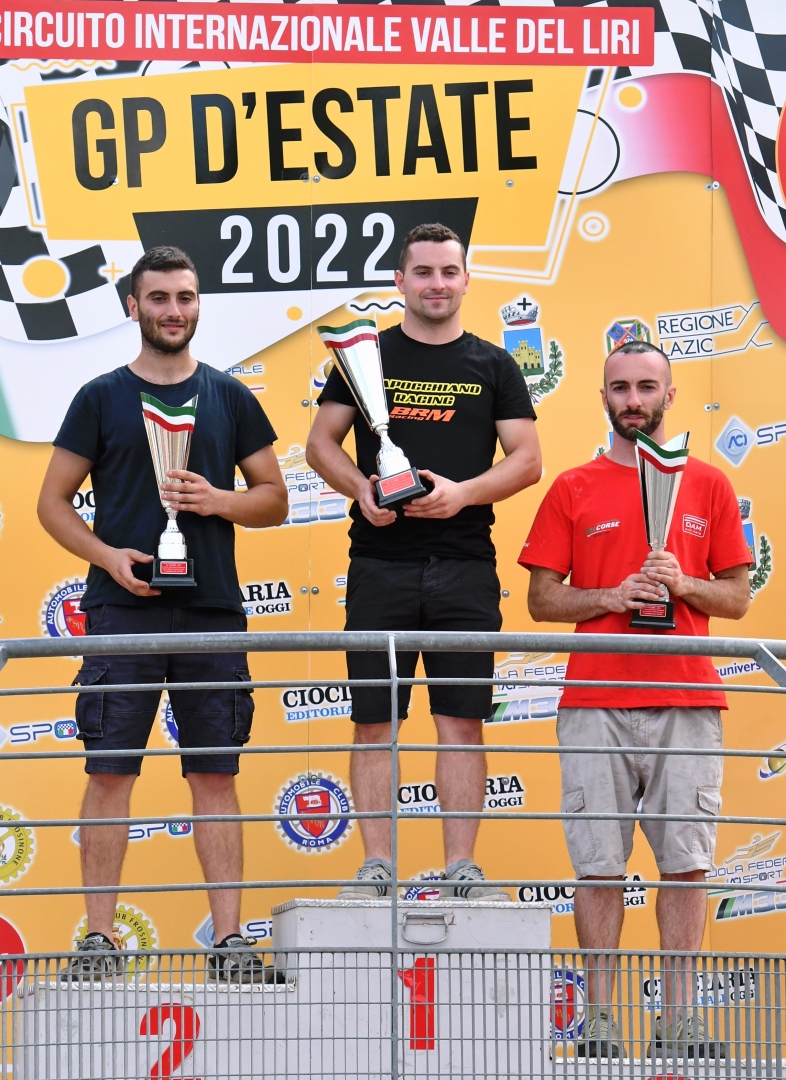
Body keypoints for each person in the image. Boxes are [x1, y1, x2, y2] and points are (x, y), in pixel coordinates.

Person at [38, 246, 288, 981]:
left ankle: (230, 942)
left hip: (211, 611)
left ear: (198, 303)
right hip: (121, 611)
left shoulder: (230, 396)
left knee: (215, 775)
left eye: (185, 296)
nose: (173, 310)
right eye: (159, 298)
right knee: (109, 773)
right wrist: (107, 556)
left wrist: (218, 500)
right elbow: (52, 502)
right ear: (133, 307)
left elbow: (274, 499)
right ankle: (98, 941)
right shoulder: (99, 397)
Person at [520, 341, 751, 1058]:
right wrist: (612, 596)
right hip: (595, 699)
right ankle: (599, 1018)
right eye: (620, 388)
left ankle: (680, 1019)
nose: (633, 400)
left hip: (688, 698)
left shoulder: (708, 485)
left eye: (647, 387)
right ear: (603, 398)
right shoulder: (573, 487)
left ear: (669, 396)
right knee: (598, 865)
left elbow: (737, 598)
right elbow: (541, 599)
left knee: (686, 862)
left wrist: (683, 584)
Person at [306, 222, 541, 900]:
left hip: (465, 565)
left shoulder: (494, 365)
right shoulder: (364, 355)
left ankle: (461, 866)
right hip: (379, 563)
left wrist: (462, 494)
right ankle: (378, 865)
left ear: (466, 279)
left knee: (461, 721)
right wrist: (362, 490)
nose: (437, 284)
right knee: (374, 721)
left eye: (449, 271)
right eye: (424, 272)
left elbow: (528, 460)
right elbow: (320, 444)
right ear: (400, 281)